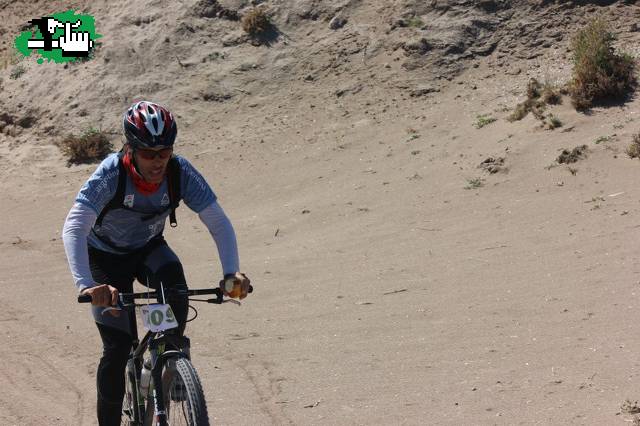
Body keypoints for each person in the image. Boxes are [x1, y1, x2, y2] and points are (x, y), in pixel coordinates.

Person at [62, 100, 250, 425]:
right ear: (130, 149)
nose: (158, 161)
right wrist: (88, 286)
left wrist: (231, 274)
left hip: (148, 248)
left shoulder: (180, 172)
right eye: (149, 153)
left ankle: (169, 362)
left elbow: (218, 222)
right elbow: (74, 226)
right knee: (118, 348)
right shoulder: (111, 174)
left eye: (164, 151)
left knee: (175, 286)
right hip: (104, 259)